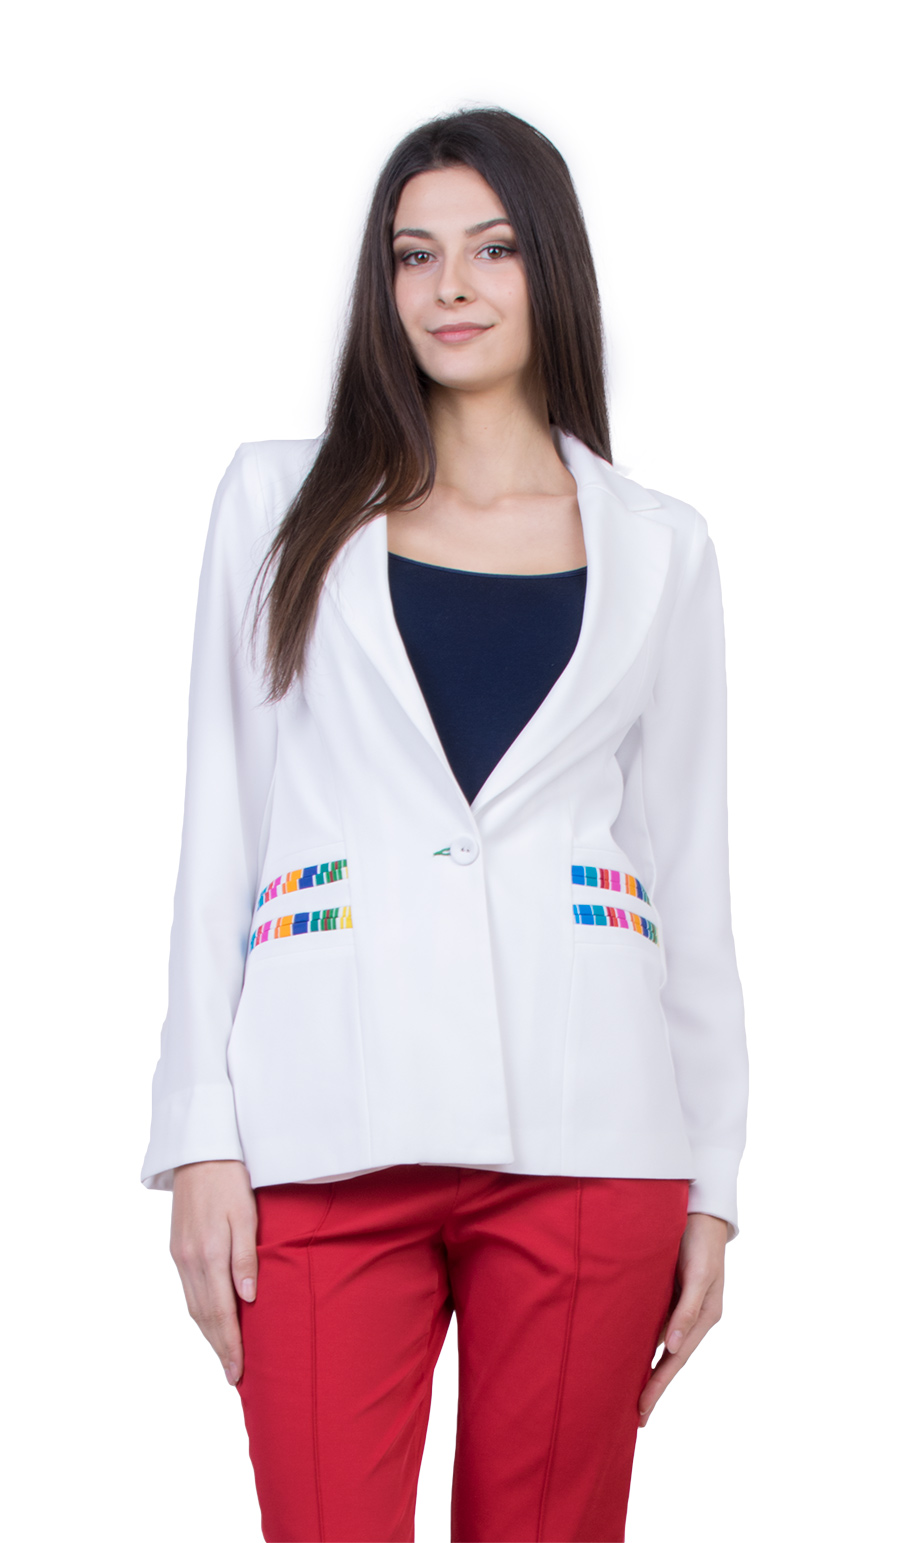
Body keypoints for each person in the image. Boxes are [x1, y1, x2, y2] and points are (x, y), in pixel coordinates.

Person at [143, 107, 749, 1543]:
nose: (451, 287)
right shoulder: (276, 504)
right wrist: (198, 1134)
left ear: (553, 270)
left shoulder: (661, 546)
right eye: (414, 256)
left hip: (594, 1136)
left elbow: (690, 868)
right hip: (321, 1127)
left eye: (492, 249)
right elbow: (220, 826)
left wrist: (715, 1181)